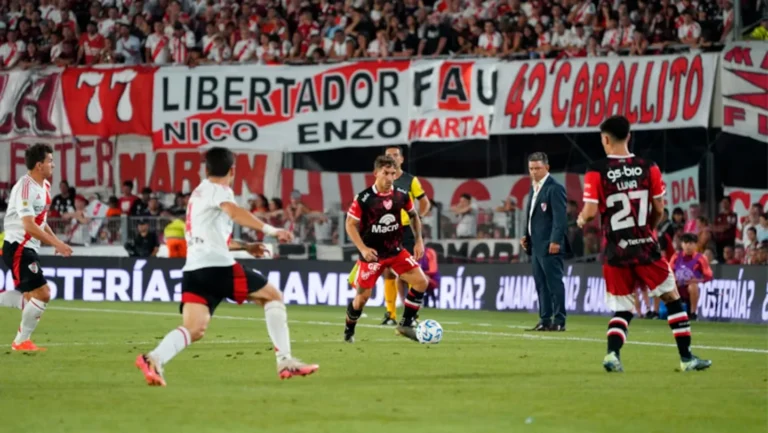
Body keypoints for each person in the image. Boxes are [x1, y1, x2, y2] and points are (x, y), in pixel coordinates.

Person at [135, 147, 318, 387]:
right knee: (273, 296)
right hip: (217, 267)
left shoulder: (198, 193)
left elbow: (217, 239)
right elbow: (235, 212)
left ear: (205, 168)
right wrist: (272, 231)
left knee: (194, 328)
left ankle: (154, 359)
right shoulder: (220, 190)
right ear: (233, 170)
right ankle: (285, 361)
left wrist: (247, 246)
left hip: (195, 270)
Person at [577, 115, 711, 373]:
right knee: (671, 299)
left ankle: (612, 355)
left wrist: (583, 217)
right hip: (645, 248)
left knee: (623, 307)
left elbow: (591, 212)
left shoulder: (596, 170)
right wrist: (648, 228)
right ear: (629, 136)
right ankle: (686, 359)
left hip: (616, 251)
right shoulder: (648, 166)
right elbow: (659, 208)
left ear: (605, 139)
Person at [344, 155, 429, 343]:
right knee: (362, 299)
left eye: (393, 173)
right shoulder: (364, 198)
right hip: (373, 255)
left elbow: (414, 215)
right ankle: (349, 329)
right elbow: (350, 224)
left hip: (395, 250)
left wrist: (419, 241)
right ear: (376, 173)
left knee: (421, 282)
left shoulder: (400, 194)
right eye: (385, 173)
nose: (390, 178)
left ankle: (405, 323)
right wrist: (363, 248)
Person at [0, 144, 73, 352]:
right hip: (18, 247)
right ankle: (21, 341)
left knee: (30, 299)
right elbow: (29, 225)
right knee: (43, 294)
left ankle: (22, 341)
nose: (53, 164)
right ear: (39, 165)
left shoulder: (46, 187)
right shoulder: (25, 187)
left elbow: (40, 222)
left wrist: (56, 240)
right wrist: (56, 244)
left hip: (28, 247)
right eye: (50, 161)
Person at [380, 145, 430, 325]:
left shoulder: (410, 180)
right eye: (388, 156)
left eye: (395, 155)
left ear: (401, 159)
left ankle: (411, 313)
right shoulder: (382, 180)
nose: (392, 158)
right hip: (387, 230)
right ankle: (390, 314)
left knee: (408, 272)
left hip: (405, 230)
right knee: (388, 271)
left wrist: (419, 218)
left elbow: (425, 202)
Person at [521, 152, 569, 332]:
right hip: (536, 245)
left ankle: (559, 320)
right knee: (541, 283)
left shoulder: (554, 188)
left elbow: (560, 218)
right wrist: (527, 236)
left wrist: (555, 240)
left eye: (537, 168)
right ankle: (545, 319)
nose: (534, 172)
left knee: (554, 283)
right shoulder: (534, 188)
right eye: (531, 169)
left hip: (549, 244)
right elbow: (532, 216)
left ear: (547, 168)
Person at [670, 233, 713, 321]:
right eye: (685, 243)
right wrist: (674, 279)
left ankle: (693, 313)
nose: (688, 246)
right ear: (681, 244)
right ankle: (671, 312)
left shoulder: (701, 258)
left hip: (692, 286)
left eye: (690, 244)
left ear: (695, 245)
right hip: (677, 285)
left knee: (693, 286)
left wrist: (696, 280)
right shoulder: (676, 257)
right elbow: (669, 271)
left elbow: (709, 276)